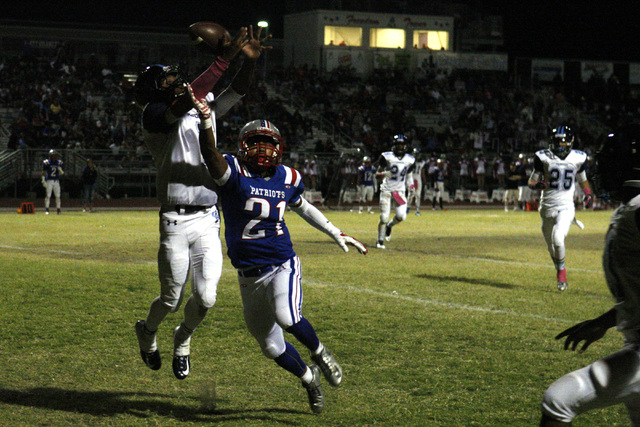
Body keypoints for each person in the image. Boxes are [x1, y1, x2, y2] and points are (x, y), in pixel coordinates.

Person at [191, 90, 368, 413]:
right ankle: (308, 378)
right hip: (247, 275)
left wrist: (334, 232)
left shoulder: (288, 176)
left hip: (281, 264)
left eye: (269, 142)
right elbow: (211, 155)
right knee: (271, 347)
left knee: (287, 317)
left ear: (280, 147)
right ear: (243, 145)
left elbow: (304, 207)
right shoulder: (233, 171)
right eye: (256, 141)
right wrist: (205, 123)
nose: (263, 148)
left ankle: (320, 353)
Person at [133, 25, 268, 380]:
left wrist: (249, 62)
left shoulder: (196, 104)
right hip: (175, 220)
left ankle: (183, 339)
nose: (174, 80)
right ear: (153, 90)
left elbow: (236, 91)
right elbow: (186, 99)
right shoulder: (154, 115)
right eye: (166, 79)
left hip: (208, 215)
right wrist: (225, 58)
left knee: (207, 298)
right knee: (171, 299)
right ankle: (147, 330)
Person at [540, 122, 640, 426]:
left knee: (559, 399)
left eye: (610, 162)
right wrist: (604, 322)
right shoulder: (630, 209)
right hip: (633, 343)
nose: (601, 170)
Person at [528, 125, 592, 291]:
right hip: (547, 206)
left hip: (566, 206)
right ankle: (559, 267)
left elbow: (583, 179)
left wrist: (588, 194)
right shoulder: (543, 157)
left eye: (563, 143)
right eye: (558, 142)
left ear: (570, 143)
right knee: (551, 246)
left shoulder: (578, 158)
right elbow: (531, 182)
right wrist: (538, 184)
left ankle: (561, 274)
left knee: (558, 238)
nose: (560, 146)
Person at [375, 134, 415, 249]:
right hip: (387, 190)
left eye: (402, 145)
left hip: (400, 191)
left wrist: (411, 186)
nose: (400, 147)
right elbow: (377, 175)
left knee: (402, 216)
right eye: (398, 144)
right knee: (383, 217)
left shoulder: (410, 159)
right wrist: (383, 174)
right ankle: (380, 240)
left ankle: (389, 226)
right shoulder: (386, 156)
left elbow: (409, 176)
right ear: (394, 145)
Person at [41, 149, 64, 215]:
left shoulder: (59, 162)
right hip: (49, 181)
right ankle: (47, 210)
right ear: (50, 156)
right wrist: (43, 180)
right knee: (48, 195)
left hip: (56, 181)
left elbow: (62, 174)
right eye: (53, 156)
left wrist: (61, 170)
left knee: (58, 196)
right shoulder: (47, 162)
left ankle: (58, 210)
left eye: (55, 156)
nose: (54, 157)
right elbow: (44, 172)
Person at [407, 148, 425, 215]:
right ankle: (408, 207)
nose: (417, 155)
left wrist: (424, 180)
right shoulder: (410, 162)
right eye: (415, 154)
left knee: (418, 195)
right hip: (411, 178)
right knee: (411, 194)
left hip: (418, 178)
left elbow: (422, 172)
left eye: (417, 154)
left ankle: (417, 210)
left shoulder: (422, 162)